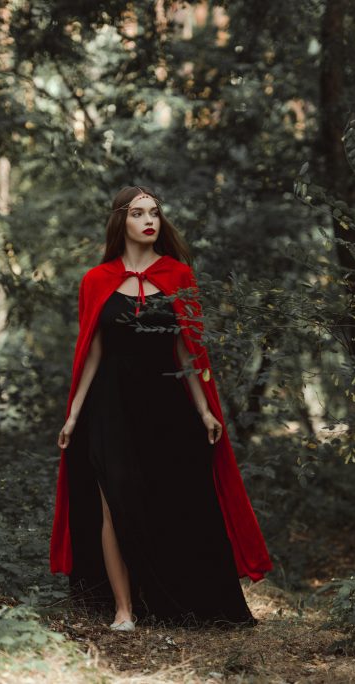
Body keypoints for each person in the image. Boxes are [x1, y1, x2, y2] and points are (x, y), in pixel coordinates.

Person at [49, 185, 272, 631]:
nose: (149, 220)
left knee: (175, 497)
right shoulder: (96, 280)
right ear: (121, 221)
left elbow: (188, 351)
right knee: (114, 500)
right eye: (138, 213)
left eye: (154, 212)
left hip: (166, 402)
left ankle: (177, 600)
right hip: (109, 403)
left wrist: (206, 410)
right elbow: (89, 352)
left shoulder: (178, 275)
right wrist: (73, 415)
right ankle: (123, 610)